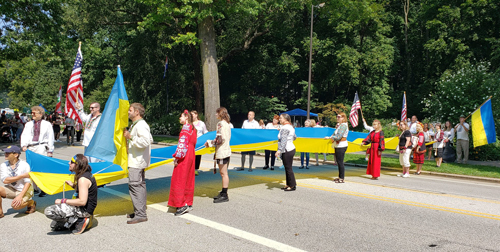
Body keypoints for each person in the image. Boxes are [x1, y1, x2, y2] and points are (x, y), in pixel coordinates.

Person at [44, 154, 97, 234]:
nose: (69, 163)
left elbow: (82, 201)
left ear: (78, 165)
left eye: (72, 162)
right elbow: (85, 190)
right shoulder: (85, 174)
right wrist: (73, 185)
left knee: (49, 211)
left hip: (84, 209)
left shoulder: (83, 179)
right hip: (85, 207)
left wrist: (63, 200)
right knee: (54, 225)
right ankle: (74, 220)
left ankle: (81, 219)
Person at [123, 103, 153, 224]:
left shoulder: (141, 125)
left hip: (137, 161)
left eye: (130, 110)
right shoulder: (137, 124)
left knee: (135, 186)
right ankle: (139, 210)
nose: (128, 112)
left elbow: (146, 141)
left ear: (137, 112)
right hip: (136, 159)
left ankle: (140, 214)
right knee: (139, 186)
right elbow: (150, 139)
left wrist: (130, 137)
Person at [20, 106, 55, 197]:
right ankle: (35, 188)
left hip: (41, 146)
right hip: (30, 148)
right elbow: (24, 135)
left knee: (42, 168)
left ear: (41, 114)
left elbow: (50, 137)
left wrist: (50, 150)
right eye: (32, 113)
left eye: (34, 113)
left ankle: (44, 188)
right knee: (31, 168)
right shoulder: (28, 124)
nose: (32, 115)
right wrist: (23, 145)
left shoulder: (47, 124)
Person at [169, 110, 197, 216]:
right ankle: (188, 202)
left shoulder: (185, 128)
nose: (179, 118)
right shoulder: (193, 128)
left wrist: (177, 157)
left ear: (186, 117)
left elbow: (182, 144)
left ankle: (181, 205)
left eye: (181, 116)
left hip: (185, 153)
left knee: (179, 178)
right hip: (191, 153)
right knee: (188, 178)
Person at [0, 145, 36, 218]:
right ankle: (0, 212)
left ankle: (31, 202)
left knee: (16, 206)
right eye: (5, 152)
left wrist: (20, 195)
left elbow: (28, 182)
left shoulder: (24, 165)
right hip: (12, 188)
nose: (5, 154)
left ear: (16, 155)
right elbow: (5, 180)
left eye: (8, 153)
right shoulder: (3, 165)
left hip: (24, 190)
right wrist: (22, 176)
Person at [205, 107, 232, 203]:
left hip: (222, 152)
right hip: (226, 151)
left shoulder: (220, 124)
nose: (215, 115)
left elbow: (220, 139)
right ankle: (223, 192)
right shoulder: (227, 124)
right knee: (223, 173)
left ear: (220, 114)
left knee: (224, 173)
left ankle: (225, 194)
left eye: (217, 113)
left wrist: (210, 142)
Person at [326, 112, 349, 183]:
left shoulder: (343, 126)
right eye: (337, 116)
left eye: (339, 117)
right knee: (339, 162)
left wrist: (330, 138)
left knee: (340, 162)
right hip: (338, 145)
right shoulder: (340, 125)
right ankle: (340, 176)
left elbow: (339, 136)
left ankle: (341, 178)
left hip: (341, 145)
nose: (337, 118)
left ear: (343, 118)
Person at [276, 113, 296, 191]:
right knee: (288, 168)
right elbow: (295, 137)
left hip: (287, 149)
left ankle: (292, 185)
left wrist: (279, 150)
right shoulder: (290, 127)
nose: (279, 119)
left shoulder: (284, 128)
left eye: (281, 118)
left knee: (288, 168)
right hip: (290, 148)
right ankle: (289, 184)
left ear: (285, 119)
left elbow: (283, 141)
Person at [191, 111, 208, 176]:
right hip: (192, 142)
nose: (192, 116)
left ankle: (196, 169)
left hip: (199, 142)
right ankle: (190, 169)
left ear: (196, 114)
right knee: (191, 156)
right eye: (191, 115)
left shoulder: (201, 123)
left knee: (198, 156)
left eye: (193, 114)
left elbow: (205, 131)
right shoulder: (190, 123)